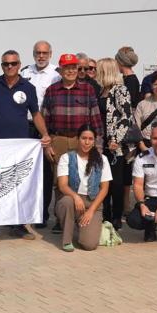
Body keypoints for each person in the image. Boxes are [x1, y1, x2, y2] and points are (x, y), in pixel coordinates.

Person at [0, 50, 52, 242]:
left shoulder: (28, 87)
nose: (10, 67)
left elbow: (35, 114)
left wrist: (45, 134)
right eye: (6, 64)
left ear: (19, 64)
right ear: (2, 66)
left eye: (13, 63)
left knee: (17, 186)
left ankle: (18, 225)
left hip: (20, 147)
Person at [41, 53, 103, 234]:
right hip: (58, 139)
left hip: (80, 140)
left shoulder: (88, 90)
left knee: (82, 177)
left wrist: (97, 144)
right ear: (60, 70)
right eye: (66, 67)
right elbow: (44, 119)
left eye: (73, 68)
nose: (70, 71)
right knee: (59, 181)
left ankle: (82, 215)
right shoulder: (52, 90)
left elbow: (96, 118)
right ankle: (61, 220)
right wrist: (47, 144)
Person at [20, 40, 60, 228]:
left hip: (45, 127)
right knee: (25, 171)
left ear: (50, 54)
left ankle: (42, 214)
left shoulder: (56, 74)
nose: (41, 56)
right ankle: (25, 212)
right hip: (25, 127)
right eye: (38, 52)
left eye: (44, 53)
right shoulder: (25, 72)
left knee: (45, 173)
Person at [55, 125, 111, 252]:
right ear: (77, 139)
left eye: (90, 139)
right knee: (66, 202)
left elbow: (104, 189)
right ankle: (67, 239)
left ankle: (80, 227)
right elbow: (62, 185)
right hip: (73, 201)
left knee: (89, 245)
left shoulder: (102, 159)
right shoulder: (67, 157)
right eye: (83, 138)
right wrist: (75, 196)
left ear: (94, 141)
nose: (87, 142)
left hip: (93, 203)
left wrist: (91, 211)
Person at [95, 58, 134, 230]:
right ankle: (106, 215)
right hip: (101, 142)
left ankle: (116, 216)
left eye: (98, 69)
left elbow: (126, 117)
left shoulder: (120, 90)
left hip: (114, 144)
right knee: (104, 181)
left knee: (116, 182)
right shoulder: (102, 90)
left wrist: (116, 140)